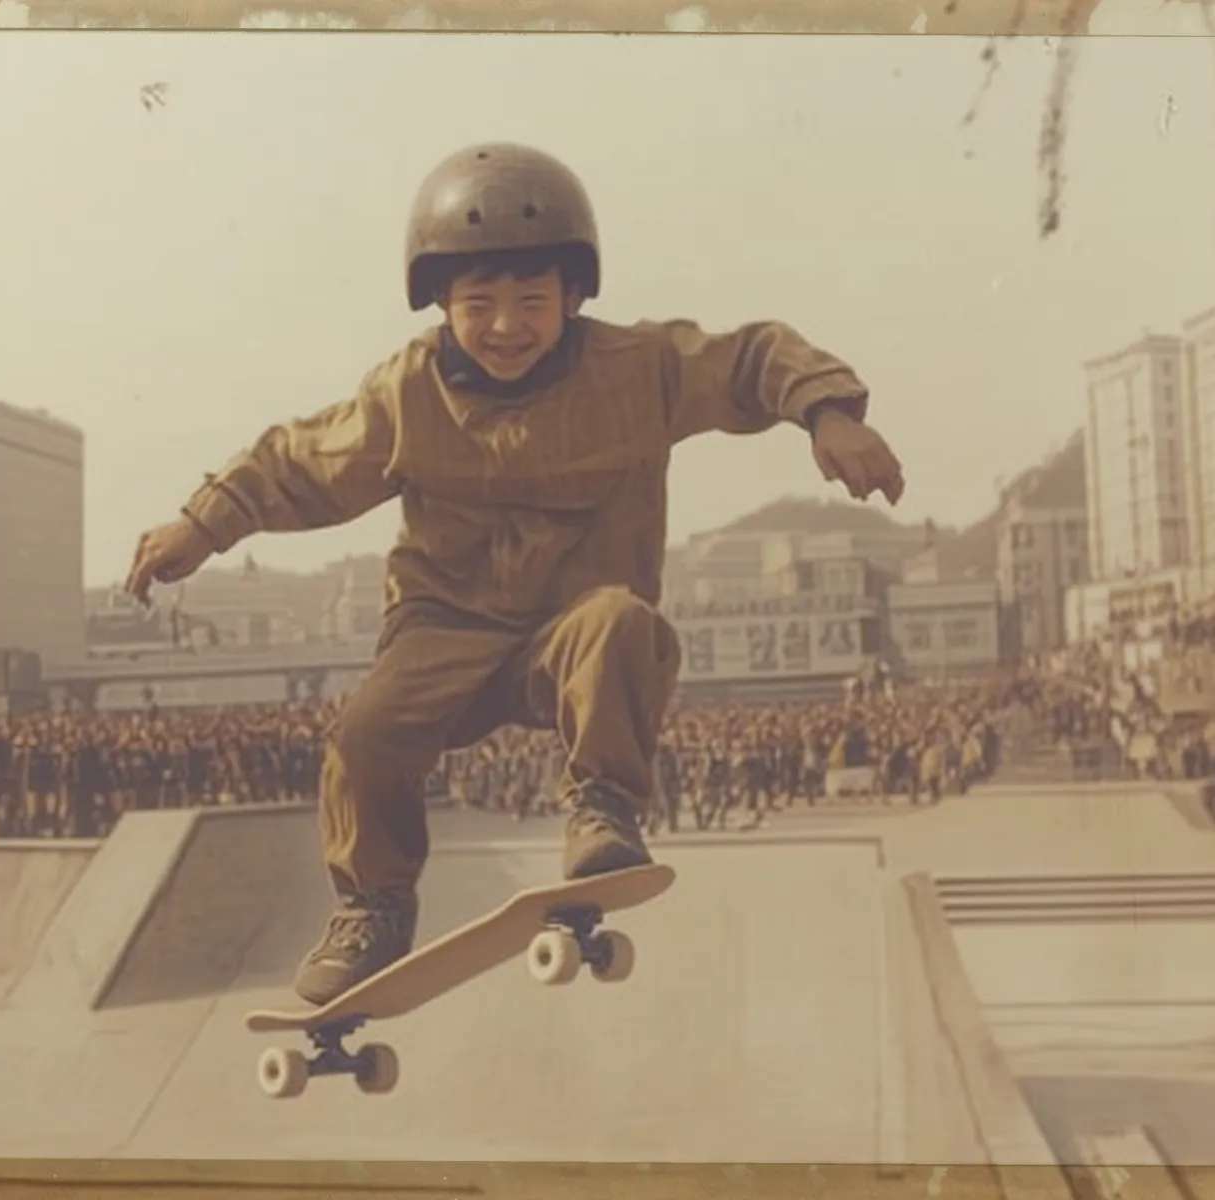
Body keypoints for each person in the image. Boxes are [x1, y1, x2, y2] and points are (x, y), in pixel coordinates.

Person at [125, 141, 906, 1006]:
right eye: (479, 304)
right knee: (363, 737)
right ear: (441, 305)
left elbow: (752, 357)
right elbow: (302, 461)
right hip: (443, 629)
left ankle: (602, 807)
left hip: (571, 631)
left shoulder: (640, 369)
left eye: (532, 302)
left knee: (622, 623)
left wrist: (827, 412)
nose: (506, 327)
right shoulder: (406, 392)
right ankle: (373, 909)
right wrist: (203, 523)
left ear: (573, 297)